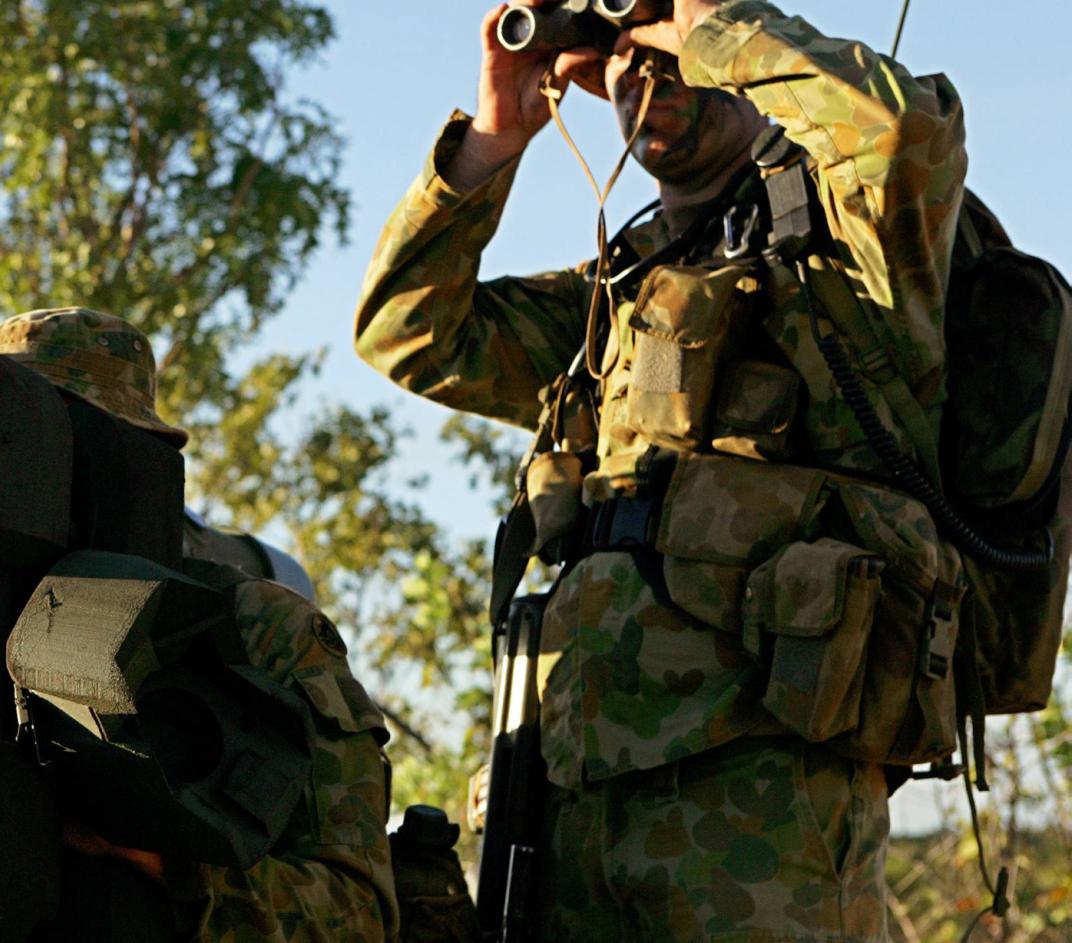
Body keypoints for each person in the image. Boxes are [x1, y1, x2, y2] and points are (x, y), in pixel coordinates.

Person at [355, 2, 967, 940]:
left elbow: (903, 133)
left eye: (668, 48)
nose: (651, 74)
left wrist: (709, 28)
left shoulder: (857, 252)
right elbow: (411, 333)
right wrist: (494, 136)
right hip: (572, 786)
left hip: (761, 787)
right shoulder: (622, 289)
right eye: (624, 58)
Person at [0, 307, 400, 942]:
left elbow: (355, 919)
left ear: (136, 469)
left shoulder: (258, 630)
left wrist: (166, 864)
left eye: (58, 449)